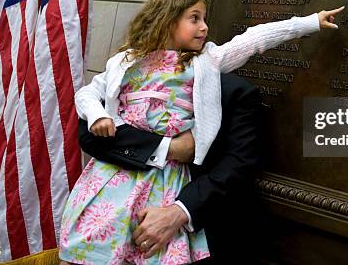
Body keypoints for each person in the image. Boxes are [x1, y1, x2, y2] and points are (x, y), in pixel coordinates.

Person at [58, 0, 343, 265]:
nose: (204, 27)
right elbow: (87, 93)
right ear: (167, 20)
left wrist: (310, 22)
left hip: (164, 179)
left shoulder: (206, 61)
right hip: (113, 173)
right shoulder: (126, 61)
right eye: (194, 18)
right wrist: (98, 115)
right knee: (93, 243)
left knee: (149, 249)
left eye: (204, 18)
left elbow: (254, 39)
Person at [76, 71, 265, 264]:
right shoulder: (129, 70)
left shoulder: (235, 91)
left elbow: (239, 162)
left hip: (186, 236)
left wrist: (179, 213)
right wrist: (168, 148)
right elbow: (89, 134)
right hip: (106, 223)